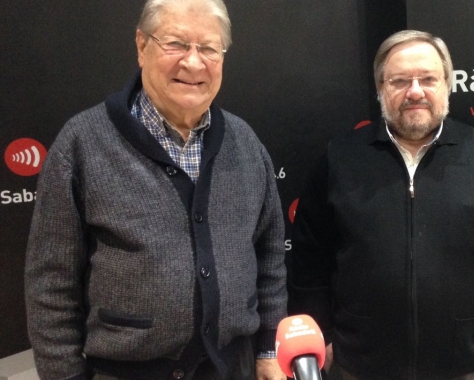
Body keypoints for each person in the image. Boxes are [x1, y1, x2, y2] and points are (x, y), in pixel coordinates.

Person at [24, 1, 287, 379]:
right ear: (141, 45)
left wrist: (267, 348)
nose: (194, 63)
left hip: (234, 366)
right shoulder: (83, 143)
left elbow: (270, 256)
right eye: (176, 44)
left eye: (209, 48)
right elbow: (51, 286)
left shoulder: (245, 142)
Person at [287, 30, 474, 380]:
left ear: (448, 84)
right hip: (359, 367)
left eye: (428, 79)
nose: (415, 91)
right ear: (380, 88)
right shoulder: (340, 159)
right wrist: (325, 339)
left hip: (472, 367)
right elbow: (309, 263)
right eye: (400, 80)